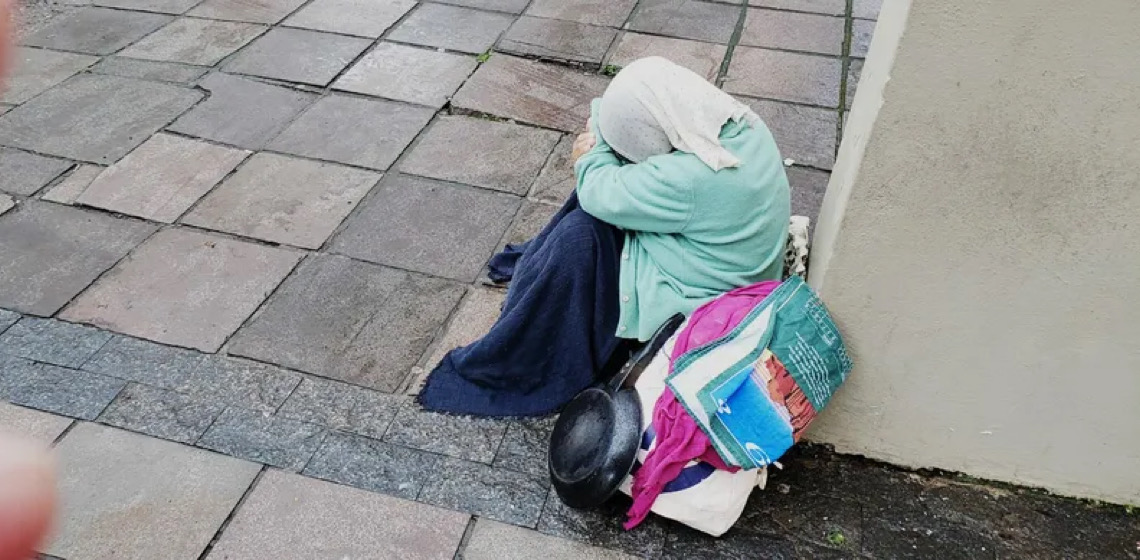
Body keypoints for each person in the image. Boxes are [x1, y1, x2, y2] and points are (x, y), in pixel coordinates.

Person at [419, 57, 791, 417]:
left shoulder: (690, 179)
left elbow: (599, 192)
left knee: (580, 235)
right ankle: (540, 277)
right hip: (734, 270)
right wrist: (604, 135)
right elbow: (624, 107)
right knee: (595, 209)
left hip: (697, 298)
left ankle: (539, 331)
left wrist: (590, 154)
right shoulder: (738, 124)